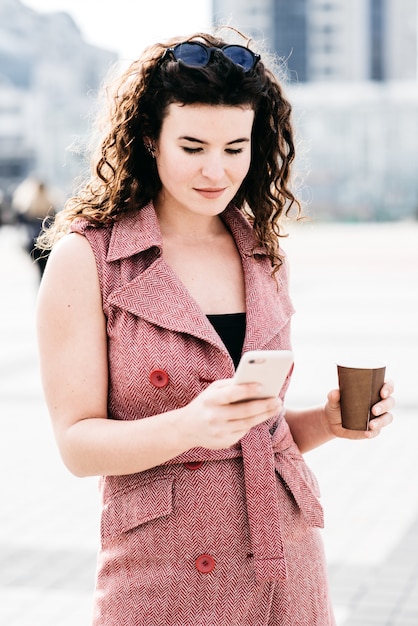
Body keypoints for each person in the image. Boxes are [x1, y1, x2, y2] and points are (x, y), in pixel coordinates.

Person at [36, 30, 395, 626]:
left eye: (236, 147)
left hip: (285, 564)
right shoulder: (89, 257)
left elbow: (260, 435)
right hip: (164, 576)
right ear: (149, 139)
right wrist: (190, 424)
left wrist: (328, 423)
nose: (216, 170)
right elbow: (77, 445)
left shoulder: (261, 250)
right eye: (193, 146)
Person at [12, 177, 56, 278]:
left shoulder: (28, 204)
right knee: (47, 270)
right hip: (48, 241)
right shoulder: (50, 203)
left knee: (40, 271)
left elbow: (19, 221)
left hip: (33, 242)